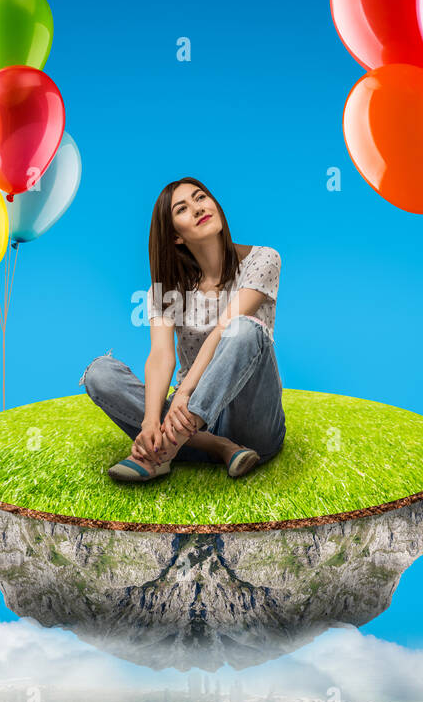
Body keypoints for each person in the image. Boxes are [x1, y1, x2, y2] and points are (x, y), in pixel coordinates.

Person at [79, 176, 285, 482]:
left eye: (201, 198)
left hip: (251, 420)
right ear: (175, 236)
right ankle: (219, 447)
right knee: (100, 374)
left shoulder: (263, 259)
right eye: (183, 209)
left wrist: (185, 392)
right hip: (197, 421)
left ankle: (166, 450)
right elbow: (161, 356)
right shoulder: (167, 289)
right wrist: (149, 421)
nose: (198, 208)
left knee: (243, 329)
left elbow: (223, 328)